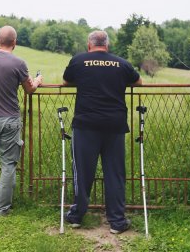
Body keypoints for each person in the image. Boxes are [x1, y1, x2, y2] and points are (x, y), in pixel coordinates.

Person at [63, 30, 142, 234]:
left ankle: (76, 216)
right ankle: (117, 221)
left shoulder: (79, 61)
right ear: (107, 45)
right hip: (114, 125)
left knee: (82, 172)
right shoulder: (121, 63)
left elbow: (66, 81)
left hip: (85, 124)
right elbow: (138, 82)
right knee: (115, 174)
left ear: (89, 45)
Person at [0, 25, 43, 217]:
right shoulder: (19, 63)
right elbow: (29, 89)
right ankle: (3, 209)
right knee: (8, 165)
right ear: (14, 43)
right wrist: (38, 80)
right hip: (10, 120)